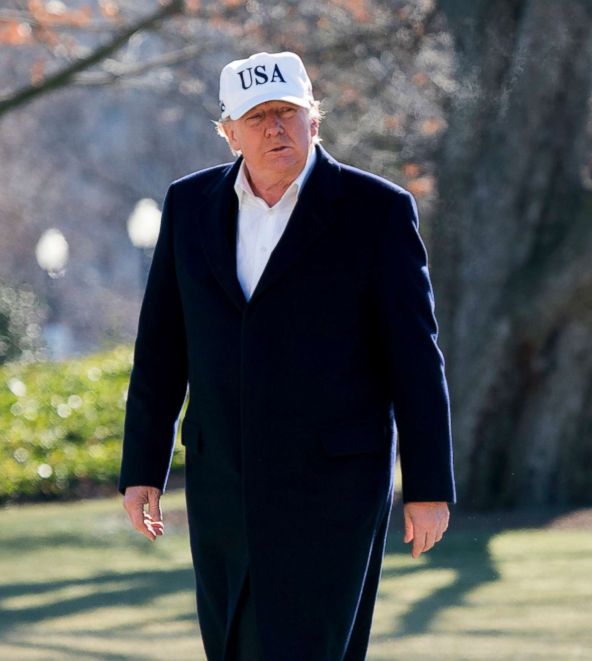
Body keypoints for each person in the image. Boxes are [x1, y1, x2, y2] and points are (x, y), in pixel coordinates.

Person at [119, 51, 455, 660]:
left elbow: (415, 359)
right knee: (232, 646)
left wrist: (429, 485)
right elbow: (161, 348)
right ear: (228, 132)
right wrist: (144, 466)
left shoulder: (376, 212)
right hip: (222, 481)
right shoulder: (190, 208)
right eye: (257, 116)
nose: (275, 128)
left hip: (333, 486)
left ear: (314, 121)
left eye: (287, 113)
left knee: (306, 647)